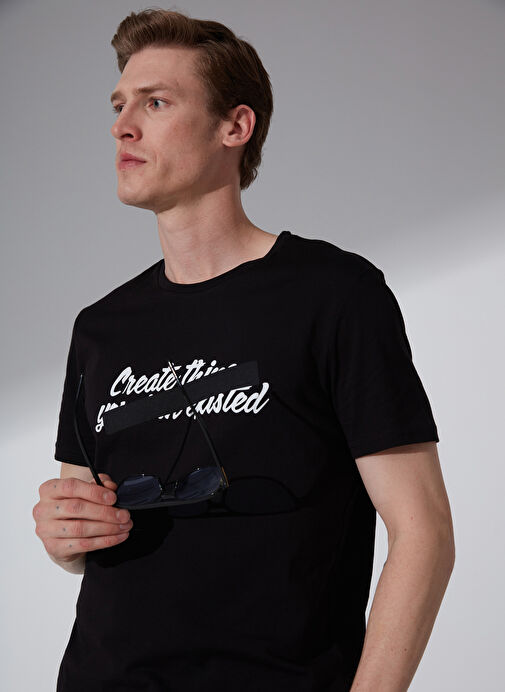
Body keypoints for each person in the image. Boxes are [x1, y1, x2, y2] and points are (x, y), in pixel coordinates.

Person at [32, 8, 455, 692]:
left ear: (235, 126)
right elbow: (81, 527)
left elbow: (424, 534)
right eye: (118, 105)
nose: (122, 126)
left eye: (155, 102)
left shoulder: (334, 294)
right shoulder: (100, 327)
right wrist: (64, 534)